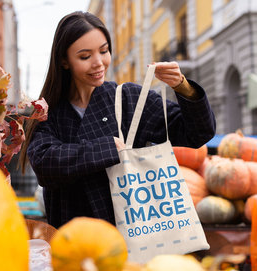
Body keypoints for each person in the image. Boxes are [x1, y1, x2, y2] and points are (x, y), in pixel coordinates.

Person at [19, 11, 216, 229]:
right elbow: (45, 163)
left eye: (104, 51)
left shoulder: (129, 98)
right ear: (64, 61)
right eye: (85, 56)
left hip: (135, 236)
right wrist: (108, 149)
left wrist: (183, 87)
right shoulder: (48, 111)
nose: (99, 63)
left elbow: (198, 133)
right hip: (73, 239)